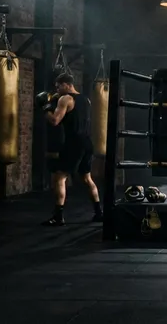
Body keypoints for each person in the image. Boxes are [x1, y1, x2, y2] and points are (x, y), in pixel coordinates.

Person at [38, 73, 103, 226]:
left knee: (60, 177)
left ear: (66, 84)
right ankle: (99, 213)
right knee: (87, 179)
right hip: (87, 142)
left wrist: (44, 108)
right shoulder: (85, 99)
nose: (57, 89)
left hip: (74, 143)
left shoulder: (65, 99)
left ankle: (58, 216)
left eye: (59, 86)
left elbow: (54, 121)